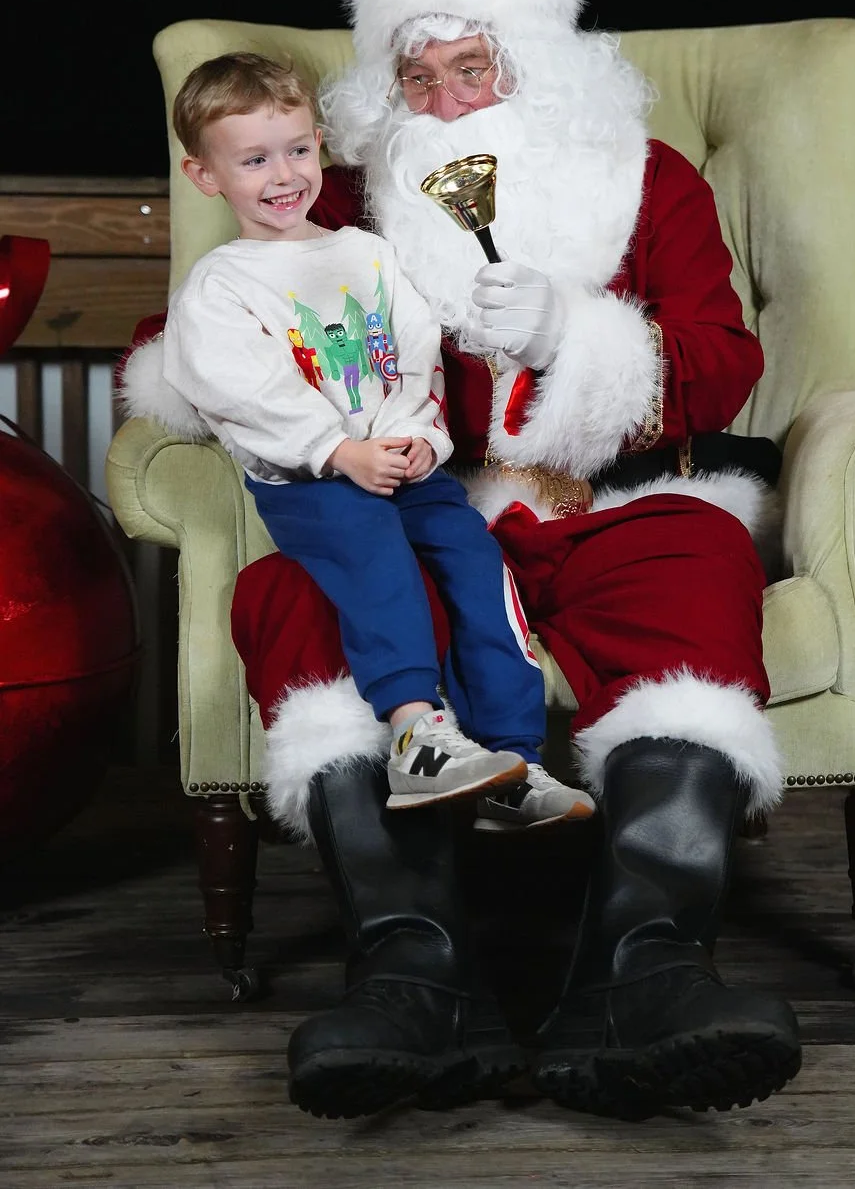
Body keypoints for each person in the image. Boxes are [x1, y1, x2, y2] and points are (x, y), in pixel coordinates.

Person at [122, 0, 801, 1123]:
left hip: (619, 501)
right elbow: (201, 340)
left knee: (697, 565)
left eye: (471, 69)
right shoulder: (330, 197)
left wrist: (573, 337)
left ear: (531, 67)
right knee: (293, 598)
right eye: (416, 78)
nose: (444, 103)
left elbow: (725, 362)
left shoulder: (651, 180)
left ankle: (643, 974)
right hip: (410, 504)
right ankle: (415, 978)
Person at [159, 52, 595, 826]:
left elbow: (415, 346)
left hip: (400, 461)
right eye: (254, 160)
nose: (283, 174)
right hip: (314, 481)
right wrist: (338, 450)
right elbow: (243, 389)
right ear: (205, 176)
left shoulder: (365, 253)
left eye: (297, 149)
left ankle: (515, 759)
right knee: (380, 565)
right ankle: (417, 736)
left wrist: (417, 433)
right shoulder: (222, 284)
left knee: (474, 562)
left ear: (319, 142)